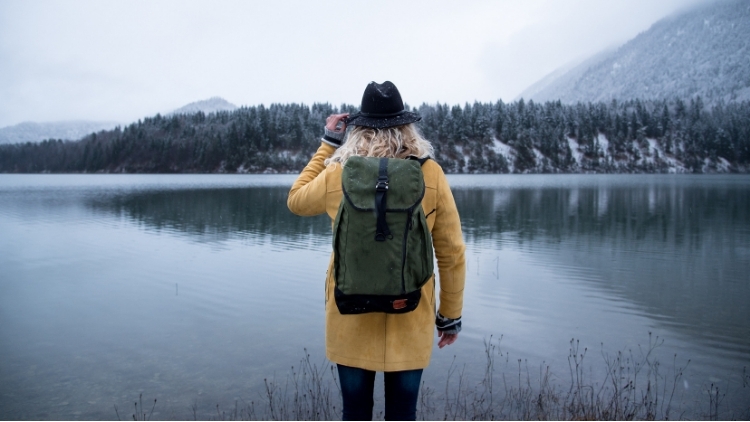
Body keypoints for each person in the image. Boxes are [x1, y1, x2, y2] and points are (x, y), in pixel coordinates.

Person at [287, 81, 466, 421]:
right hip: (411, 312)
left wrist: (327, 145)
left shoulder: (338, 173)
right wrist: (450, 316)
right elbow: (452, 251)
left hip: (349, 313)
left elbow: (295, 200)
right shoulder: (430, 173)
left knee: (354, 413)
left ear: (358, 128)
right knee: (403, 415)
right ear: (407, 126)